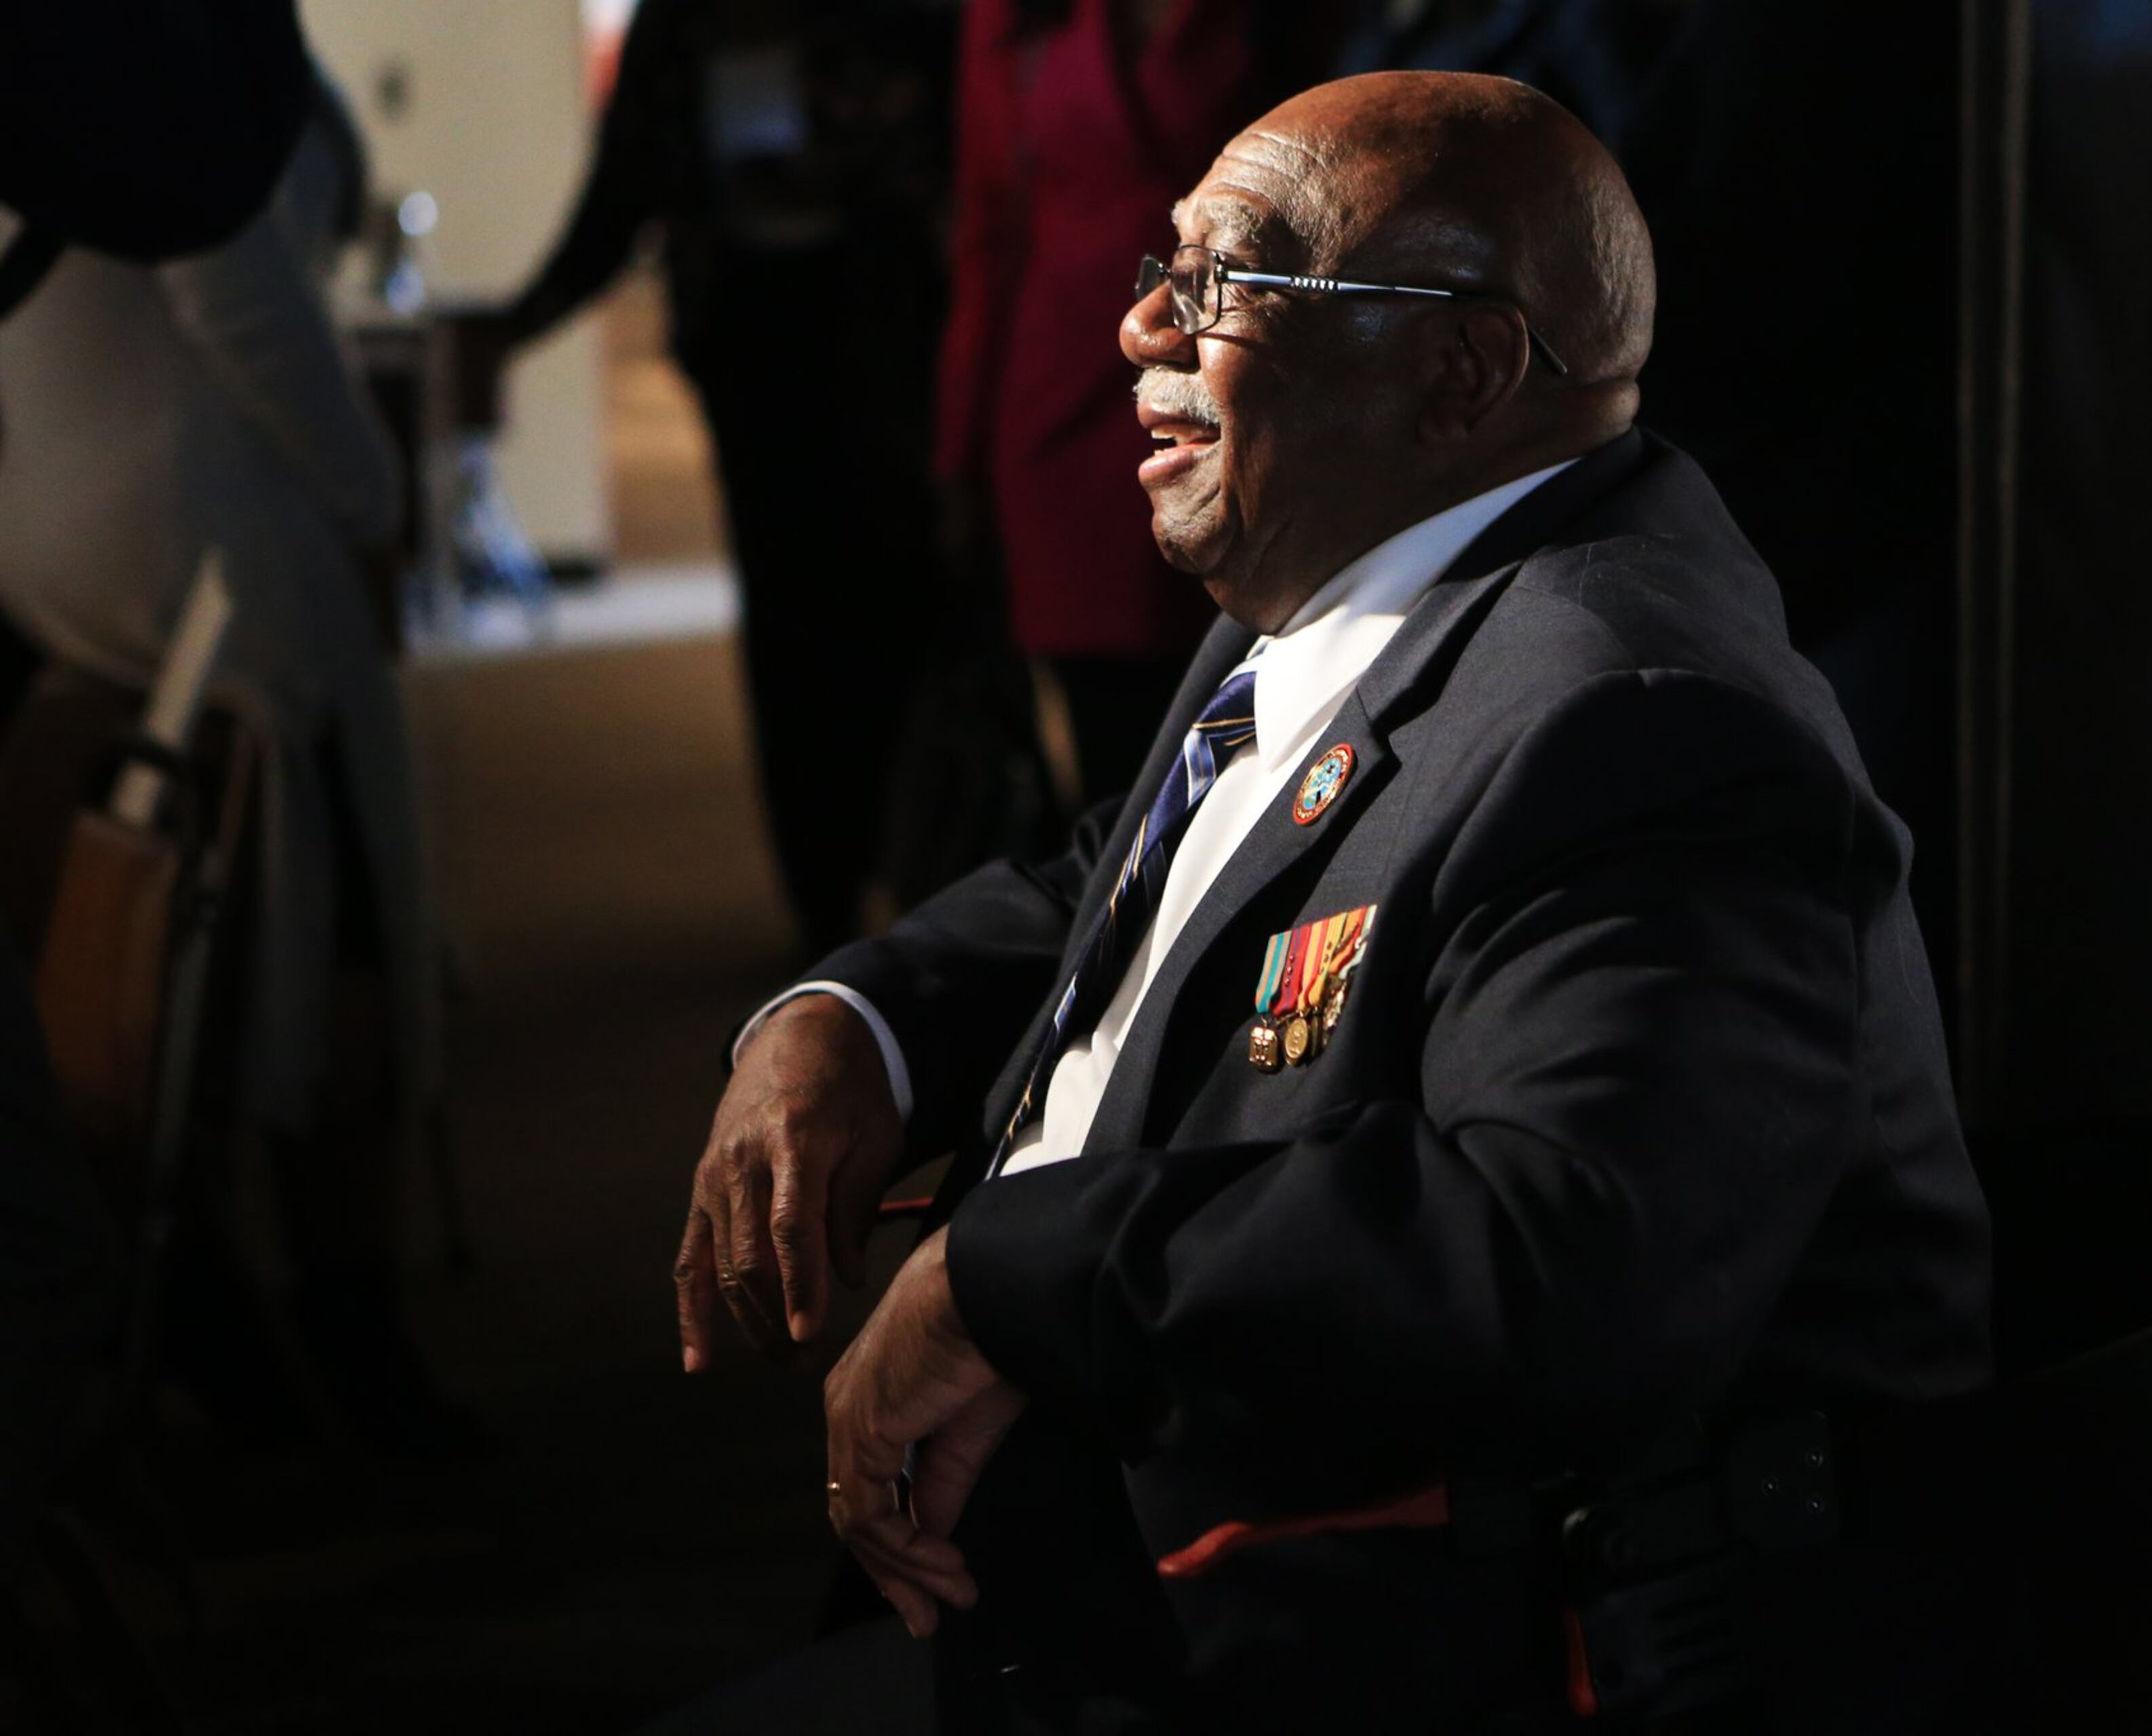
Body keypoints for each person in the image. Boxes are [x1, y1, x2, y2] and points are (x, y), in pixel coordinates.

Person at [677, 71, 1992, 1730]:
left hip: (1384, 1641)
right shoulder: (1373, 568)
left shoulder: (1641, 722)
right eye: (1160, 265)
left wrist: (1010, 1269)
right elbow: (1156, 873)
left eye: (1222, 281)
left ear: (1461, 367)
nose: (1139, 326)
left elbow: (1561, 1258)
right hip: (1125, 1558)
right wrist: (855, 1020)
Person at [0, 73, 461, 1454]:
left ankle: (242, 1306)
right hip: (203, 530)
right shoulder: (151, 38)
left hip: (62, 515)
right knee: (335, 933)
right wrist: (374, 489)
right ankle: (335, 1322)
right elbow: (236, 290)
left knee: (221, 924)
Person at [459, 0, 955, 959]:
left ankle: (919, 876)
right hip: (753, 358)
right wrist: (517, 325)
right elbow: (620, 196)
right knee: (787, 628)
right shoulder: (684, 23)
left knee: (901, 612)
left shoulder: (904, 18)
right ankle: (823, 895)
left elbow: (965, 161)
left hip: (891, 356)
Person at [936, 0, 1339, 811]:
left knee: (1247, 695)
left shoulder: (1281, 22)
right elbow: (990, 234)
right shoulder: (1010, 17)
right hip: (1059, 404)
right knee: (1102, 737)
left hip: (1231, 380)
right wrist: (959, 451)